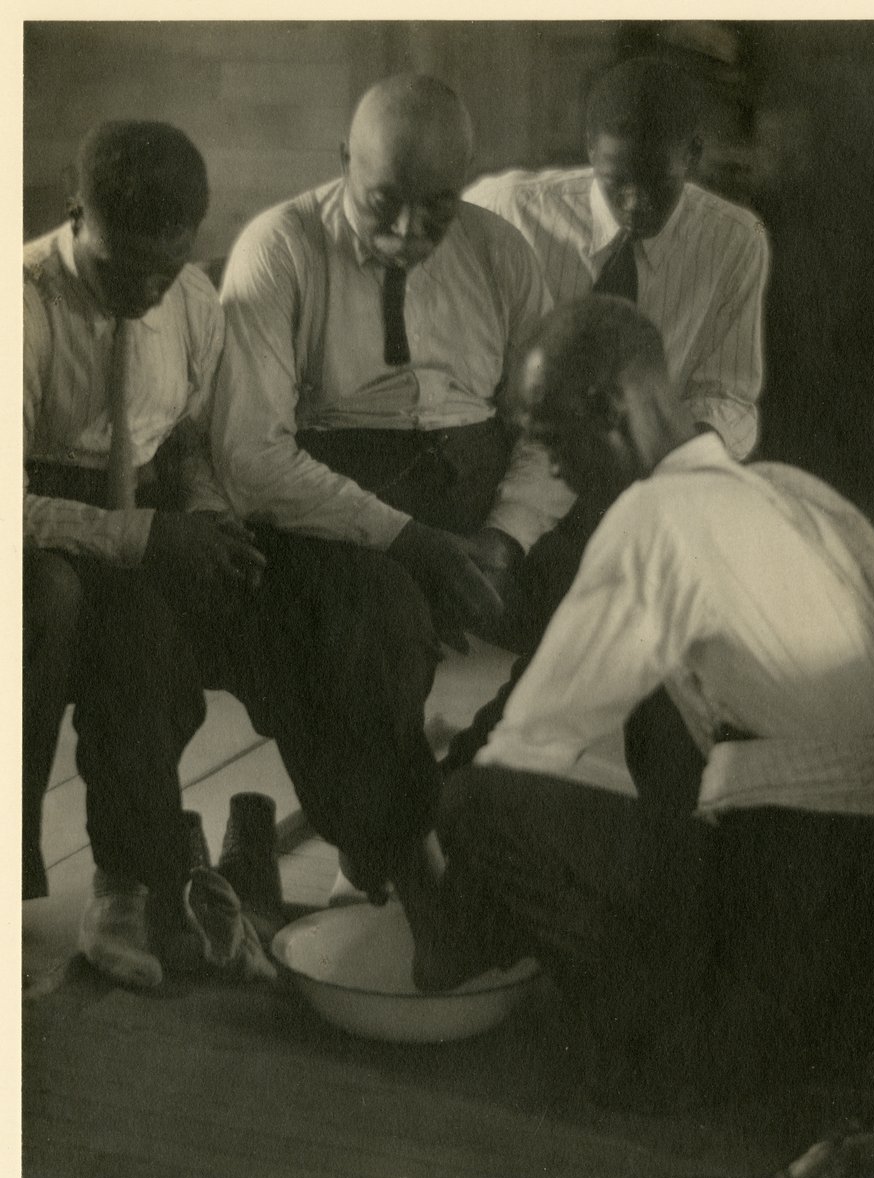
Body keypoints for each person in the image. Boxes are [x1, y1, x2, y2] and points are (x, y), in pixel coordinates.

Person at [403, 296, 874, 1116]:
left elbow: (530, 746)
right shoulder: (783, 492)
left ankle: (652, 1040)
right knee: (652, 720)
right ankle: (709, 1006)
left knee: (482, 804)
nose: (549, 465)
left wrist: (420, 836)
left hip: (797, 883)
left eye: (548, 435)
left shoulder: (653, 518)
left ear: (611, 410)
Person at [211, 73, 566, 902]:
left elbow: (553, 425)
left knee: (610, 585)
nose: (409, 230)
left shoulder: (501, 250)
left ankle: (456, 797)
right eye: (383, 202)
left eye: (436, 207)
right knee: (371, 627)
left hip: (480, 491)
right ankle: (396, 858)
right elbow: (250, 456)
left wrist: (506, 534)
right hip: (334, 496)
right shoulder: (280, 246)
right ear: (344, 161)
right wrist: (411, 541)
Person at [444, 55, 771, 767]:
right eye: (616, 182)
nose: (637, 207)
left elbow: (729, 392)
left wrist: (682, 472)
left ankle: (467, 780)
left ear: (693, 155)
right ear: (589, 151)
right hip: (505, 460)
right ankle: (467, 779)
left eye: (659, 184)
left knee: (661, 612)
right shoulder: (508, 209)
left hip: (632, 473)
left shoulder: (733, 241)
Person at [23, 120, 290, 987]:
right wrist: (141, 536)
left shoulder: (195, 305)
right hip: (32, 521)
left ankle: (129, 880)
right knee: (52, 604)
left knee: (145, 644)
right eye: (117, 268)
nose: (142, 291)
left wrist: (207, 525)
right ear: (75, 212)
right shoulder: (18, 303)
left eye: (164, 267)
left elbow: (200, 445)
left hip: (147, 505)